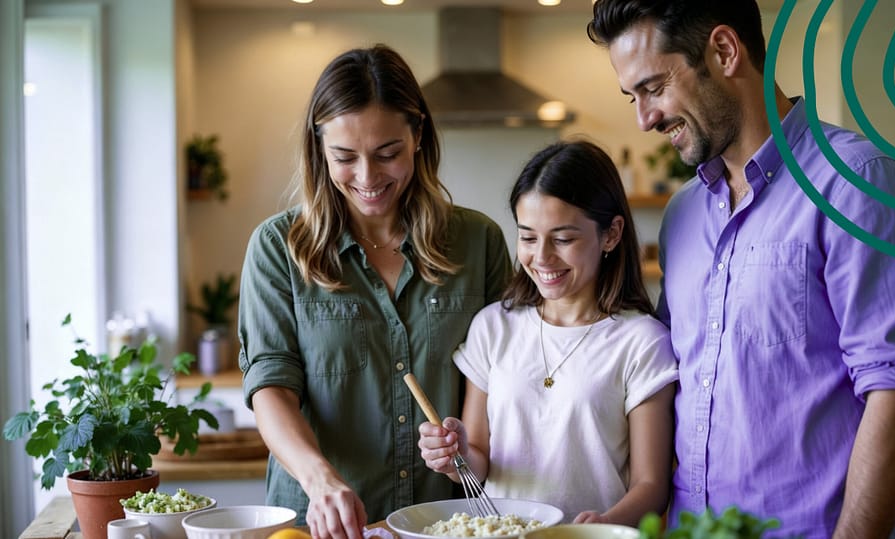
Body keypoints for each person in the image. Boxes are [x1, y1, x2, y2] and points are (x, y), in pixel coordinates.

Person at [587, 2, 895, 538]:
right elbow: (667, 385)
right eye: (633, 97)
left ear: (725, 51)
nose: (645, 118)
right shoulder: (683, 216)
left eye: (654, 87)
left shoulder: (857, 185)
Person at [237, 44, 512, 539]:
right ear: (319, 146)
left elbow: (499, 387)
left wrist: (465, 445)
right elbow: (270, 387)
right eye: (345, 157)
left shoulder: (480, 243)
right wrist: (321, 481)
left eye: (388, 154)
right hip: (318, 526)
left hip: (443, 525)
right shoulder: (278, 247)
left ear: (419, 137)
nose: (367, 178)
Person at [417, 140, 677, 525]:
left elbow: (652, 485)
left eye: (563, 238)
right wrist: (454, 455)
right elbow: (477, 462)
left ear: (611, 233)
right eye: (528, 236)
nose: (541, 258)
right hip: (500, 533)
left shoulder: (642, 342)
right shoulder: (493, 327)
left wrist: (602, 527)